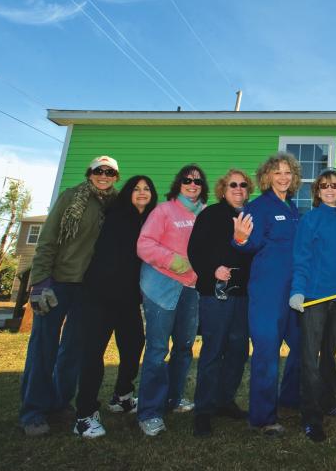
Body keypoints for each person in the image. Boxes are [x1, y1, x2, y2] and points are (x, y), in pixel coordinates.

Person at [20, 155, 120, 437]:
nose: (104, 175)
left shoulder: (113, 205)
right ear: (90, 173)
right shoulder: (71, 198)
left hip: (88, 288)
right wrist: (40, 282)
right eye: (99, 171)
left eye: (110, 172)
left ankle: (59, 403)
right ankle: (33, 412)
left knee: (73, 349)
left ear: (116, 177)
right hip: (58, 282)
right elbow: (48, 238)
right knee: (44, 348)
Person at [73, 175, 158, 438]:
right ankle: (84, 415)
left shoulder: (150, 219)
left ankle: (122, 395)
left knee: (134, 344)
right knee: (93, 354)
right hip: (100, 294)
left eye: (147, 189)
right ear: (128, 193)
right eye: (136, 189)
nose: (142, 192)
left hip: (129, 298)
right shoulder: (118, 215)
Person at [136, 164, 211, 437]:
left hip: (192, 289)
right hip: (161, 286)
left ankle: (173, 398)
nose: (192, 184)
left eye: (198, 181)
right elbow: (144, 244)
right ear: (179, 183)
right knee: (157, 350)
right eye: (187, 180)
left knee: (184, 347)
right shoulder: (164, 211)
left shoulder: (205, 213)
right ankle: (149, 412)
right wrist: (172, 260)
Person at [233, 152, 302, 436]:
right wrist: (240, 238)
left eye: (288, 172)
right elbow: (249, 243)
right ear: (267, 176)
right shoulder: (259, 206)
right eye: (278, 172)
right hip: (267, 291)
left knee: (302, 346)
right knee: (266, 352)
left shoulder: (294, 208)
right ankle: (262, 417)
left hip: (294, 291)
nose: (283, 177)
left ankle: (288, 398)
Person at [288, 168, 336, 442]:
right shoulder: (310, 220)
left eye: (335, 185)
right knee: (310, 359)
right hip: (315, 299)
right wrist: (298, 290)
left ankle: (329, 402)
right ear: (317, 191)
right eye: (324, 186)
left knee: (329, 355)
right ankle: (311, 416)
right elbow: (301, 257)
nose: (330, 189)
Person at [188, 169, 255, 438]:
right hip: (216, 294)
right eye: (233, 185)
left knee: (239, 351)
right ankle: (203, 411)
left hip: (243, 296)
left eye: (243, 185)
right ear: (223, 189)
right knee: (213, 351)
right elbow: (195, 250)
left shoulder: (250, 217)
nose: (238, 189)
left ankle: (224, 400)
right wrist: (212, 269)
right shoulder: (211, 215)